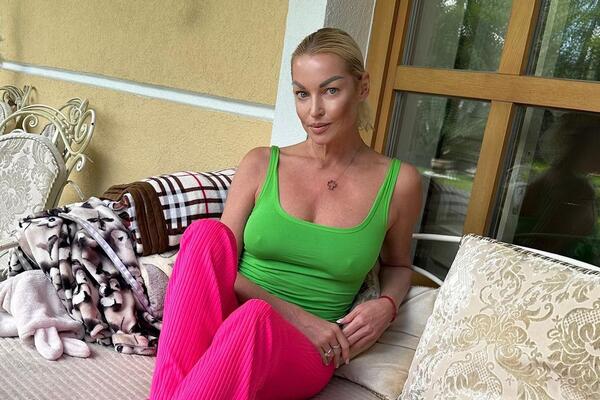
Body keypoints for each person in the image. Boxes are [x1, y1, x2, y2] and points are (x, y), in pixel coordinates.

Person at [149, 27, 422, 400]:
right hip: (234, 317)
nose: (314, 111)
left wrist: (386, 306)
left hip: (305, 352)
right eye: (302, 94)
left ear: (362, 87)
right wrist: (298, 317)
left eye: (330, 91)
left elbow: (398, 265)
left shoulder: (399, 182)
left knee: (254, 322)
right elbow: (218, 267)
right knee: (205, 236)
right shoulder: (261, 164)